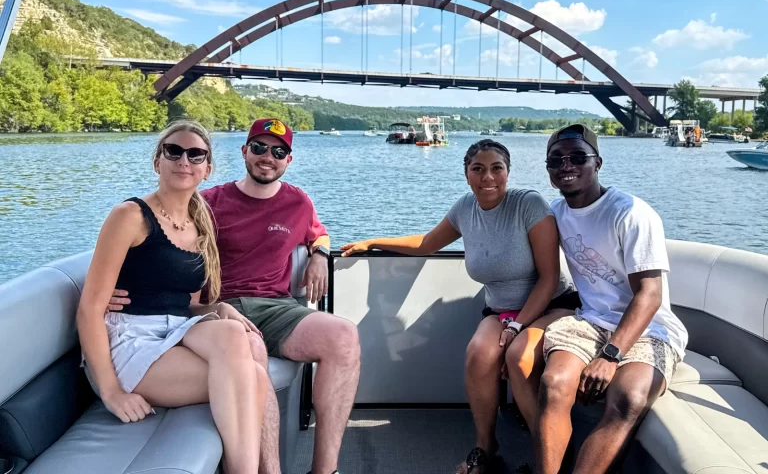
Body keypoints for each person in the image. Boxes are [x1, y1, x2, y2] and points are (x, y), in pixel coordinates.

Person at [110, 118, 360, 474]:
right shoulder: (207, 203)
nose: (267, 157)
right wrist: (115, 290)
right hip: (217, 309)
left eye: (278, 151)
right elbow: (156, 243)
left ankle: (325, 470)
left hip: (276, 306)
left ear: (288, 160)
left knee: (345, 338)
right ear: (244, 152)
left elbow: (317, 232)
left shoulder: (298, 202)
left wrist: (320, 254)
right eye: (258, 147)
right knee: (249, 349)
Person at [340, 139, 580, 474]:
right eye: (478, 169)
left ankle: (551, 458)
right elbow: (427, 242)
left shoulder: (528, 205)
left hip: (552, 304)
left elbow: (549, 278)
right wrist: (372, 241)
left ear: (508, 172)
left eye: (497, 168)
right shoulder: (465, 209)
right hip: (501, 310)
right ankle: (486, 448)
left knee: (519, 357)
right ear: (466, 174)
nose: (488, 177)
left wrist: (516, 327)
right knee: (478, 355)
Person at [78, 120, 268, 474]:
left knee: (230, 331)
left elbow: (186, 304)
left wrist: (218, 307)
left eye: (196, 154)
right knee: (253, 379)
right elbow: (89, 308)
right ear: (157, 162)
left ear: (207, 169)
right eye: (174, 151)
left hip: (174, 333)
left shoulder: (201, 222)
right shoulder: (130, 216)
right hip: (130, 339)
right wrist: (111, 392)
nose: (185, 160)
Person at [535, 124, 688, 474]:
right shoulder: (555, 214)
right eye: (556, 160)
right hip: (591, 320)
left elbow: (649, 295)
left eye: (577, 157)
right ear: (548, 170)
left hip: (650, 328)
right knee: (554, 384)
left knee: (628, 398)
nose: (566, 165)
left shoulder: (630, 213)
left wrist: (610, 355)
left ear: (597, 162)